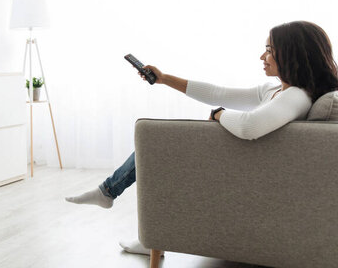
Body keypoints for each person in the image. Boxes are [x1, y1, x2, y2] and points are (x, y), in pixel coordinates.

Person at [65, 21, 338, 255]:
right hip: (248, 162)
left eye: (268, 50)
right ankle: (126, 211)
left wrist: (218, 115)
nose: (261, 56)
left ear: (291, 54)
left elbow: (249, 127)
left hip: (248, 170)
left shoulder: (296, 96)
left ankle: (121, 207)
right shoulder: (276, 90)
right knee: (160, 148)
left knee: (160, 145)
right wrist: (163, 79)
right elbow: (218, 93)